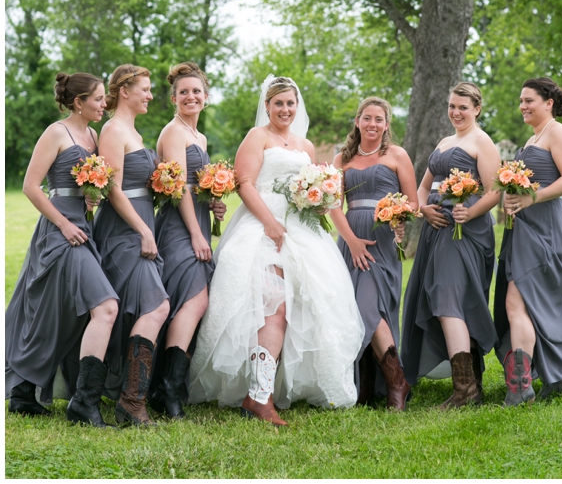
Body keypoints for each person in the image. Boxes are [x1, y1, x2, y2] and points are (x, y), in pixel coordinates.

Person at [189, 75, 364, 425]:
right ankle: (259, 397)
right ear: (267, 106)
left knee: (305, 307)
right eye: (278, 103)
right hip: (262, 230)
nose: (285, 109)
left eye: (290, 103)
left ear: (297, 107)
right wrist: (270, 223)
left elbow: (314, 188)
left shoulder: (306, 146)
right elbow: (246, 183)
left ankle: (271, 390)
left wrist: (318, 201)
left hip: (302, 230)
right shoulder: (258, 137)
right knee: (272, 307)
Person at [5, 73, 119, 427]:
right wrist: (64, 224)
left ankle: (24, 391)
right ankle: (82, 404)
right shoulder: (57, 132)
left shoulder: (94, 136)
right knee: (105, 306)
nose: (104, 104)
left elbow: (92, 187)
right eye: (98, 99)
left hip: (83, 229)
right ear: (78, 102)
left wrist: (92, 199)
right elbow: (30, 186)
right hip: (60, 232)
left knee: (56, 310)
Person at [492, 78, 562, 406]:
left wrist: (531, 198)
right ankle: (538, 379)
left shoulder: (558, 132)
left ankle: (523, 386)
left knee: (516, 300)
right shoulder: (533, 137)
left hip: (546, 229)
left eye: (529, 100)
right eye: (521, 100)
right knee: (523, 303)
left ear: (548, 102)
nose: (522, 106)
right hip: (523, 229)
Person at [400, 82, 500, 408]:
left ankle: (465, 389)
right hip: (438, 230)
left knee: (448, 299)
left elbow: (494, 191)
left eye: (463, 107)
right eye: (452, 106)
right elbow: (423, 185)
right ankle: (471, 383)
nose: (456, 112)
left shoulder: (482, 142)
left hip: (465, 231)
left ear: (477, 109)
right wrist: (423, 208)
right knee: (448, 297)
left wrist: (468, 212)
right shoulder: (445, 141)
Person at [94, 64, 170, 425]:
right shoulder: (112, 130)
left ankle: (131, 397)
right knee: (157, 307)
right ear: (124, 91)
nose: (151, 95)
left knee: (147, 308)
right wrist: (143, 229)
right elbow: (112, 189)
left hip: (142, 224)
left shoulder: (134, 133)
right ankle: (130, 401)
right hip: (124, 230)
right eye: (145, 89)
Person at [330, 97, 418, 410]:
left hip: (381, 239)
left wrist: (398, 218)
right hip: (351, 237)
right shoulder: (342, 158)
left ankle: (397, 383)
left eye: (379, 119)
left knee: (370, 306)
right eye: (367, 118)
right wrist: (351, 240)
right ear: (358, 121)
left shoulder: (397, 155)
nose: (372, 124)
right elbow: (332, 204)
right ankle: (368, 384)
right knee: (354, 307)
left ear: (386, 124)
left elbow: (413, 203)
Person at [150, 62, 224, 419]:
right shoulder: (174, 133)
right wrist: (197, 234)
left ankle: (168, 385)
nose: (191, 96)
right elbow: (178, 189)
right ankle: (168, 389)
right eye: (184, 92)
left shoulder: (200, 137)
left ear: (206, 97)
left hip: (198, 217)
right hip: (180, 226)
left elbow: (196, 186)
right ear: (174, 99)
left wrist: (215, 201)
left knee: (190, 301)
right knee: (195, 301)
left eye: (197, 91)